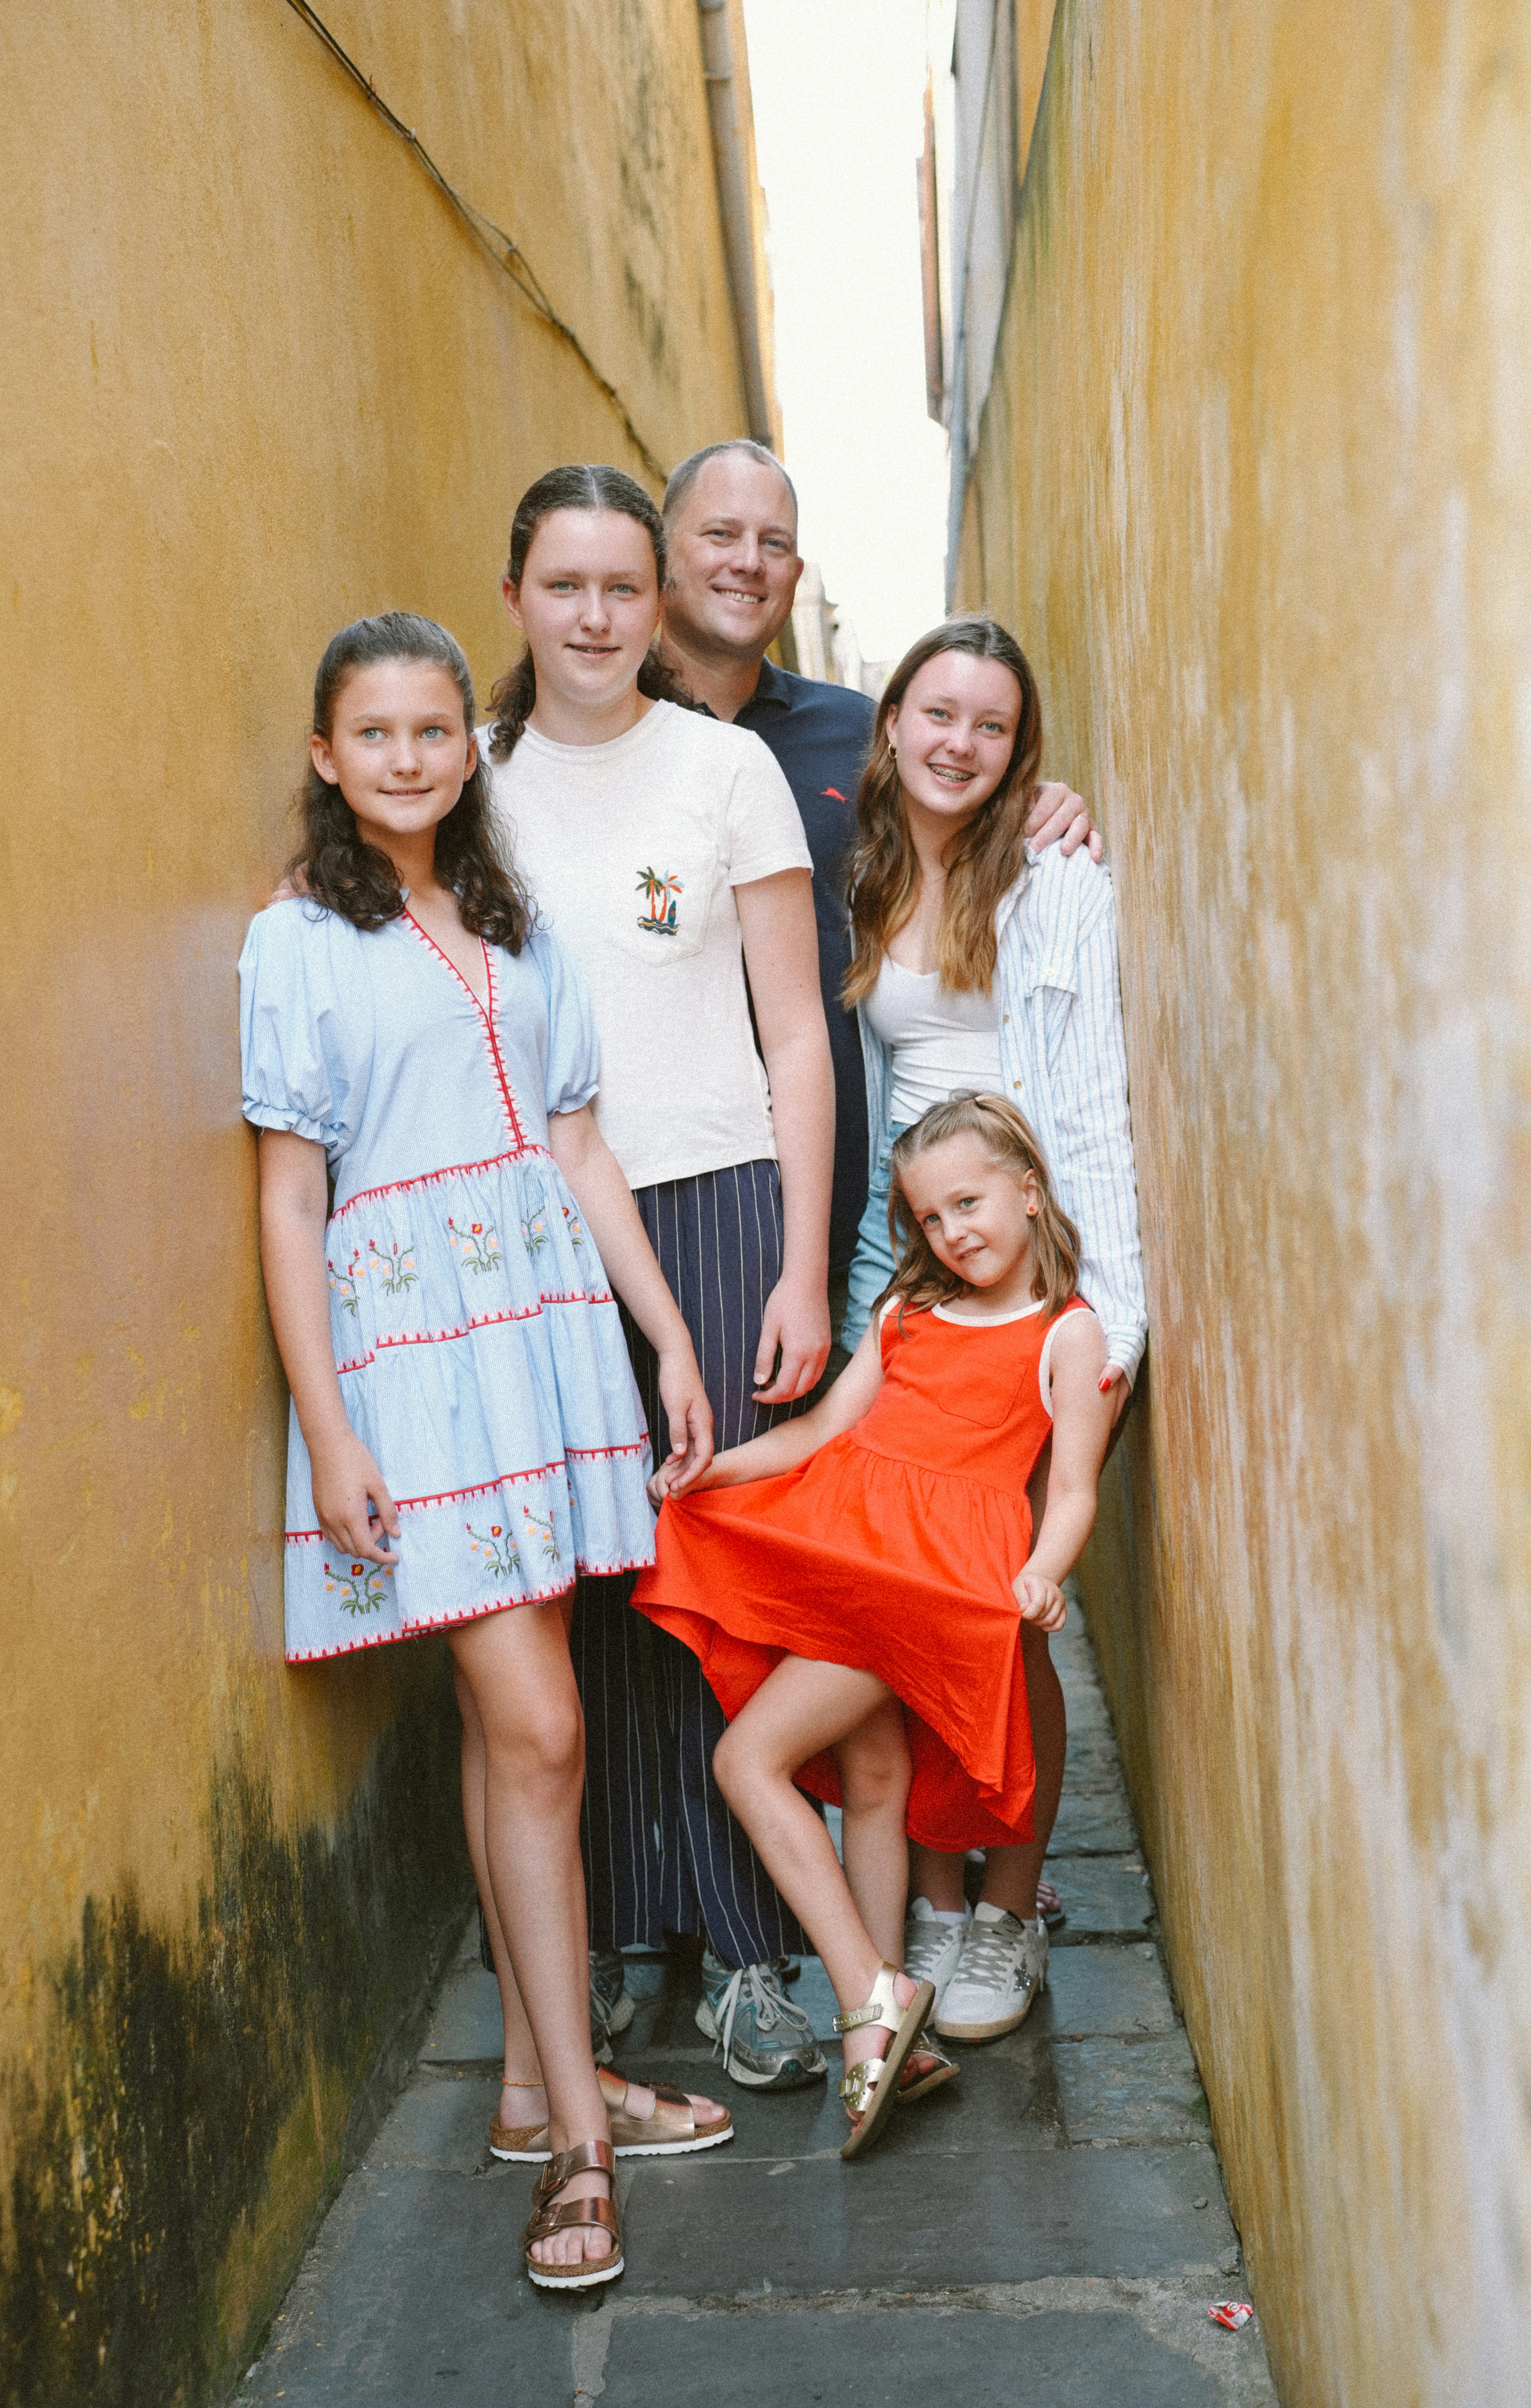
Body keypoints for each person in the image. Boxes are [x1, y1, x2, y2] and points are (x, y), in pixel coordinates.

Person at [240, 612, 730, 2292]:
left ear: (470, 745)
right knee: (541, 1723)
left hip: (541, 1344)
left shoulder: (516, 922)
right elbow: (291, 1196)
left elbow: (583, 1148)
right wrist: (326, 1425)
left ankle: (533, 2086)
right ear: (327, 756)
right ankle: (581, 2140)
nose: (404, 758)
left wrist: (663, 1335)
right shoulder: (297, 943)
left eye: (433, 731)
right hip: (414, 1379)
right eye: (371, 733)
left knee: (506, 1730)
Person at [485, 467, 839, 2089]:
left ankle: (751, 1945)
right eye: (565, 587)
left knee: (721, 1573)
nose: (596, 617)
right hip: (541, 1223)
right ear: (516, 602)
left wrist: (800, 1265)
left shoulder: (724, 770)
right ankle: (630, 1916)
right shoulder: (469, 779)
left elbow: (795, 1036)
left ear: (659, 601)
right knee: (593, 1580)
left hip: (715, 1201)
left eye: (622, 588)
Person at [633, 1095, 1120, 2156]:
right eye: (931, 1216)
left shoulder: (1067, 1333)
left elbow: (1073, 1487)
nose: (954, 1232)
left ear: (1030, 1193)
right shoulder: (904, 1313)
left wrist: (1044, 1570)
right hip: (850, 1560)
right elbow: (815, 1434)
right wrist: (711, 1475)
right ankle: (882, 2034)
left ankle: (869, 1996)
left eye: (971, 1203)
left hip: (924, 1586)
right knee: (873, 1777)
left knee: (747, 1761)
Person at [840, 615, 1147, 2043]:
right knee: (901, 1590)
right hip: (893, 1254)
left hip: (1019, 1254)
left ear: (1022, 751)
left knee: (1007, 1599)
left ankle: (1009, 1910)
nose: (959, 743)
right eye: (937, 712)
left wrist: (1107, 1305)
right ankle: (940, 1895)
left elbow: (1084, 1094)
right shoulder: (858, 862)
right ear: (892, 715)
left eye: (993, 726)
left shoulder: (1050, 876)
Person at [655, 438, 1102, 1326]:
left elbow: (957, 805)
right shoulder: (614, 731)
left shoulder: (854, 737)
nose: (749, 562)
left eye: (773, 543)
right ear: (664, 550)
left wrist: (1046, 803)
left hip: (852, 1199)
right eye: (721, 534)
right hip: (669, 1174)